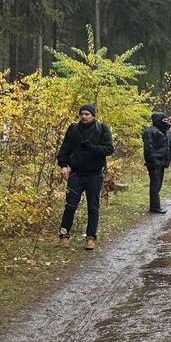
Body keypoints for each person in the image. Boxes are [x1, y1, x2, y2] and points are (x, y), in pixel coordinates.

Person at [56, 103, 115, 250]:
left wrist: (93, 148)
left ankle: (91, 237)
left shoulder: (102, 129)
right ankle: (64, 235)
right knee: (70, 205)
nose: (84, 116)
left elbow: (109, 149)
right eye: (82, 114)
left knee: (93, 207)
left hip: (94, 175)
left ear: (93, 115)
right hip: (76, 173)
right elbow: (65, 148)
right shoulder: (73, 129)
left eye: (87, 114)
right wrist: (63, 165)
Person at [141, 111, 171, 214]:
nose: (166, 122)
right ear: (157, 120)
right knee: (155, 184)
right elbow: (148, 148)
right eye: (163, 120)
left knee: (158, 183)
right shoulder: (149, 131)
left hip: (162, 162)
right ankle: (155, 207)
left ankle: (155, 205)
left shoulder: (164, 131)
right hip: (154, 163)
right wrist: (154, 160)